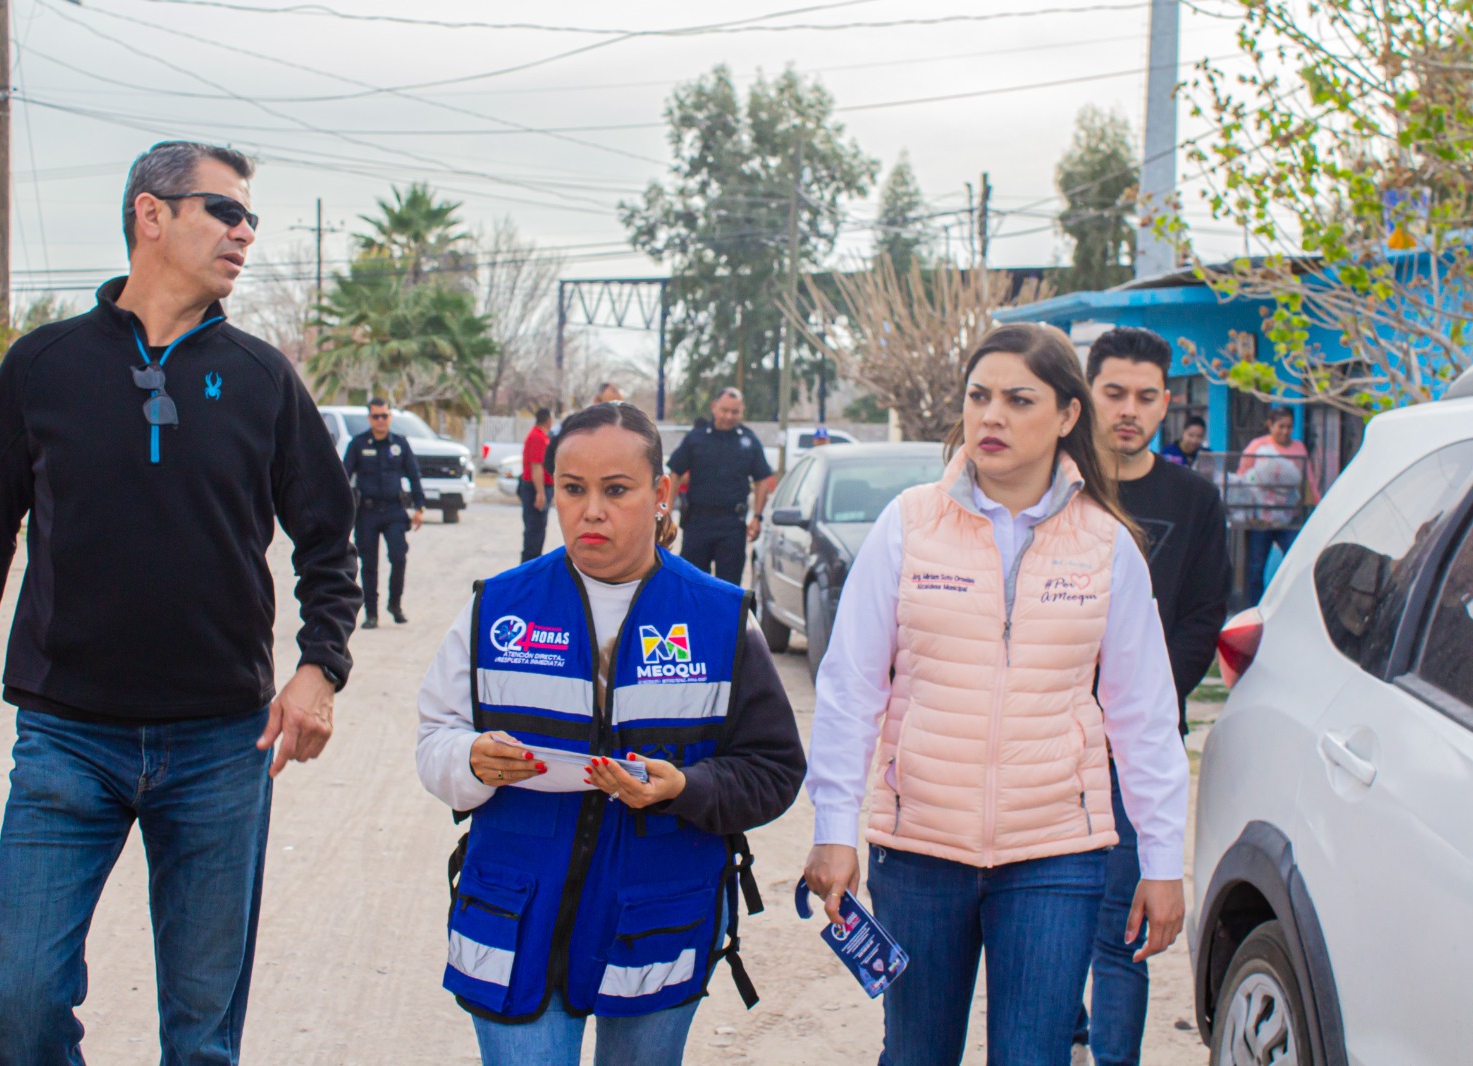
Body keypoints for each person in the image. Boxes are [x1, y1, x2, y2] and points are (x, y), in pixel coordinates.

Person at [0, 140, 361, 1064]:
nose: (244, 233)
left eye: (251, 218)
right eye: (225, 211)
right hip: (69, 741)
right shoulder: (44, 367)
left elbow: (328, 538)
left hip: (221, 747)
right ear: (152, 214)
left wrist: (320, 667)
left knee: (201, 1040)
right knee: (21, 1004)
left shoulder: (262, 378)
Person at [800, 322, 1189, 1066]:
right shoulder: (909, 524)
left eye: (1019, 399)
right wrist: (834, 826)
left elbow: (1144, 716)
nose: (992, 416)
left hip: (1057, 855)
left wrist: (1162, 861)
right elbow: (850, 687)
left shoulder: (1107, 545)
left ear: (1068, 415)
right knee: (916, 1055)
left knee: (1033, 1056)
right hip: (919, 850)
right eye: (979, 397)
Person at [416, 401, 805, 1066]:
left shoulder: (719, 619)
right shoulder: (496, 608)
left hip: (657, 918)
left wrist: (686, 788)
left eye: (616, 490)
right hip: (516, 913)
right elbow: (435, 740)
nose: (591, 511)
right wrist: (469, 760)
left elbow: (773, 769)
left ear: (661, 494)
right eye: (573, 489)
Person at [1074, 327, 1231, 1065]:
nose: (1128, 411)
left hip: (1137, 750)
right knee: (1046, 915)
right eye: (1114, 393)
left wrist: (1145, 702)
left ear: (1166, 403)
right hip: (1049, 737)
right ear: (1087, 395)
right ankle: (1060, 1037)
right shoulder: (1055, 485)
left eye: (1144, 397)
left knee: (1121, 928)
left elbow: (1204, 615)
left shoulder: (1193, 499)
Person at [666, 388, 774, 586]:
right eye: (725, 410)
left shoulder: (749, 440)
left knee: (729, 587)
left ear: (742, 411)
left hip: (732, 525)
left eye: (735, 412)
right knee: (691, 584)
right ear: (714, 407)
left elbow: (762, 479)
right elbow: (674, 473)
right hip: (698, 523)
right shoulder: (696, 438)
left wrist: (757, 517)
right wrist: (667, 511)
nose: (729, 416)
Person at [344, 398, 426, 629]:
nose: (380, 420)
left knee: (399, 557)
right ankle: (371, 613)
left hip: (394, 511)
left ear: (390, 417)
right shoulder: (358, 444)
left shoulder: (400, 444)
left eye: (384, 416)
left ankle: (395, 604)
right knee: (369, 564)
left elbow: (414, 476)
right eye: (376, 416)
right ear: (369, 418)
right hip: (367, 513)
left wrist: (419, 507)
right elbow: (343, 476)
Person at [1238, 405, 1317, 603]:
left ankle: (1291, 604)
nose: (1285, 431)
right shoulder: (1258, 447)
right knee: (1256, 567)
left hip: (1289, 518)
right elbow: (1243, 478)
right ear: (1270, 425)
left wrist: (1318, 505)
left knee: (1295, 561)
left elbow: (1308, 480)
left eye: (1289, 427)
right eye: (1281, 426)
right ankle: (1254, 607)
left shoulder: (1298, 448)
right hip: (1261, 520)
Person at [519, 407, 555, 562]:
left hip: (539, 487)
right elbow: (536, 466)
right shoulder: (537, 437)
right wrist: (540, 493)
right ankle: (529, 569)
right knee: (534, 533)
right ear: (548, 421)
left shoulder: (541, 436)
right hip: (535, 488)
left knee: (538, 532)